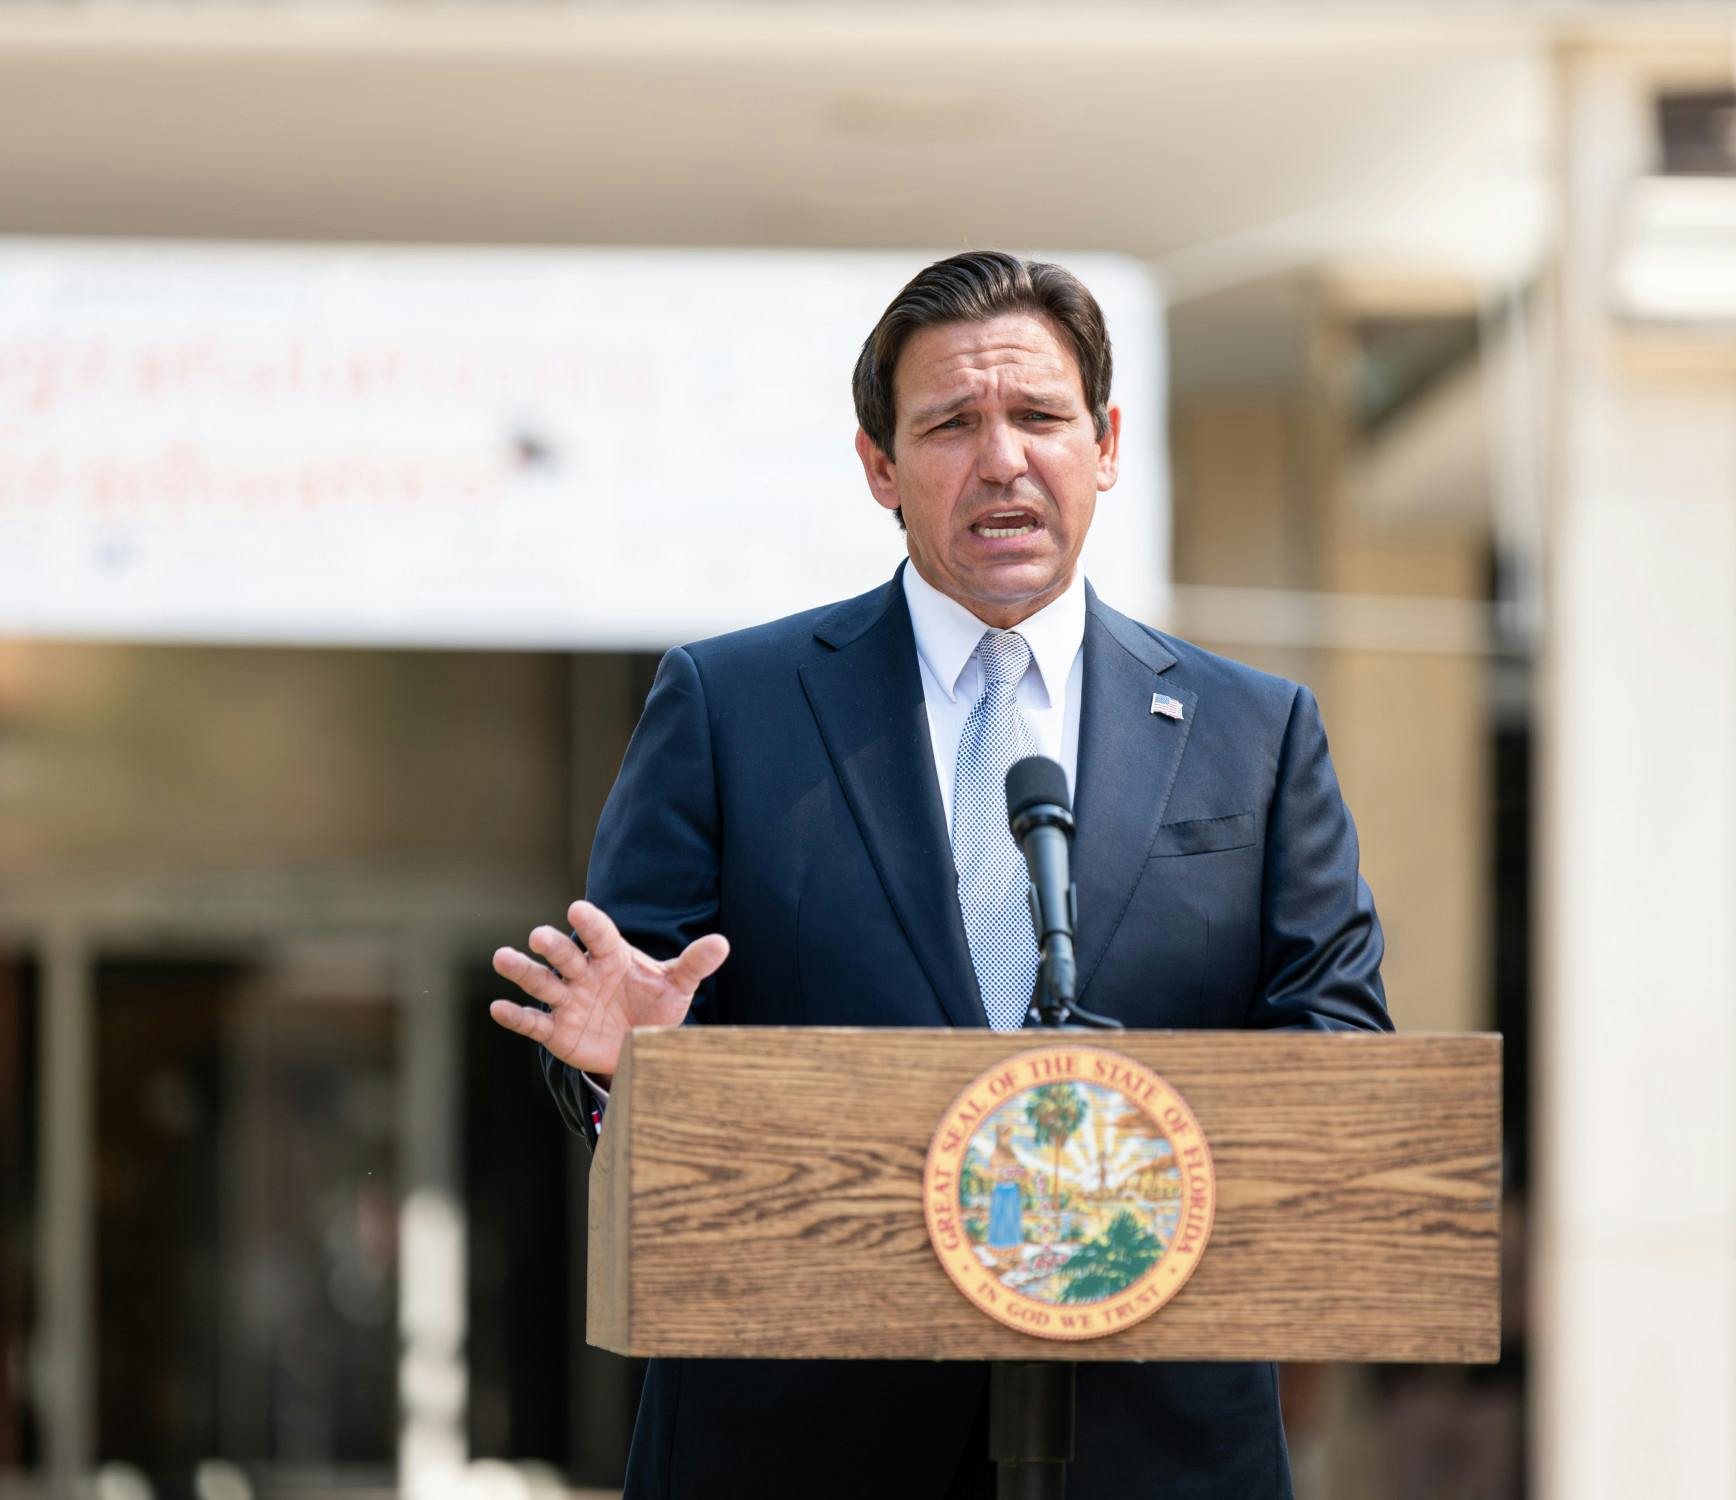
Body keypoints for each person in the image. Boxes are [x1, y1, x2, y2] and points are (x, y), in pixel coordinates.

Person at [489, 250, 1390, 1499]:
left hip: (1150, 1442)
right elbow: (626, 1040)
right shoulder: (731, 707)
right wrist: (640, 1072)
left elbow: (1334, 1045)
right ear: (879, 467)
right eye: (951, 425)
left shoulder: (1257, 731)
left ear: (1107, 444)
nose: (1001, 458)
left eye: (1037, 417)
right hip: (800, 1441)